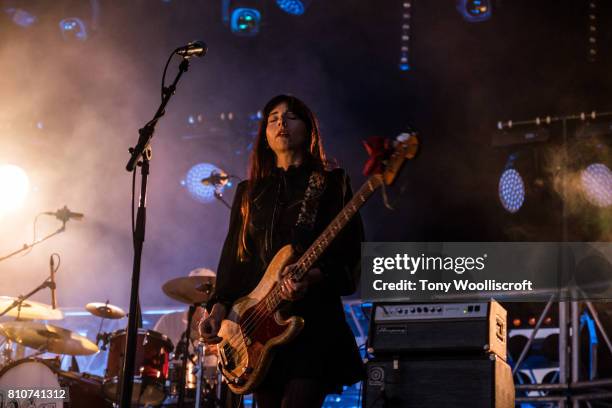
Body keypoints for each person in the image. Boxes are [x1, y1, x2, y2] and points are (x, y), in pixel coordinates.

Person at [198, 94, 364, 408]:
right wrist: (217, 310)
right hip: (260, 330)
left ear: (308, 129)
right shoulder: (248, 193)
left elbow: (351, 254)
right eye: (273, 118)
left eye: (290, 117)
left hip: (313, 325)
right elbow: (234, 262)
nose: (280, 124)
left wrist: (312, 277)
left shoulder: (330, 183)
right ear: (264, 134)